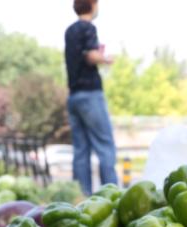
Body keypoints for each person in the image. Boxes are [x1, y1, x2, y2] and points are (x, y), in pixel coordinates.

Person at [64, 0, 117, 195]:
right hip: (90, 94)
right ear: (93, 5)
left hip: (74, 96)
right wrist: (105, 59)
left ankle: (81, 197)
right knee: (105, 146)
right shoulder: (88, 28)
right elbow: (90, 55)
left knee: (81, 151)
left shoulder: (69, 31)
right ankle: (111, 195)